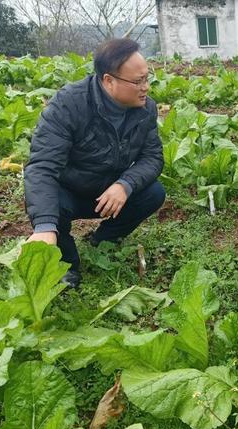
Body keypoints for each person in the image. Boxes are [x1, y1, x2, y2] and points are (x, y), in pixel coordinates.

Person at [24, 38, 165, 289]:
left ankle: (103, 240)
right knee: (49, 206)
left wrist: (125, 185)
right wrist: (45, 227)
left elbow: (152, 157)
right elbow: (42, 167)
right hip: (70, 191)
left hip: (109, 195)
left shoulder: (145, 110)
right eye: (138, 81)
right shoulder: (69, 104)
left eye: (147, 78)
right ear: (109, 81)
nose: (146, 87)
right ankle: (66, 266)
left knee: (153, 193)